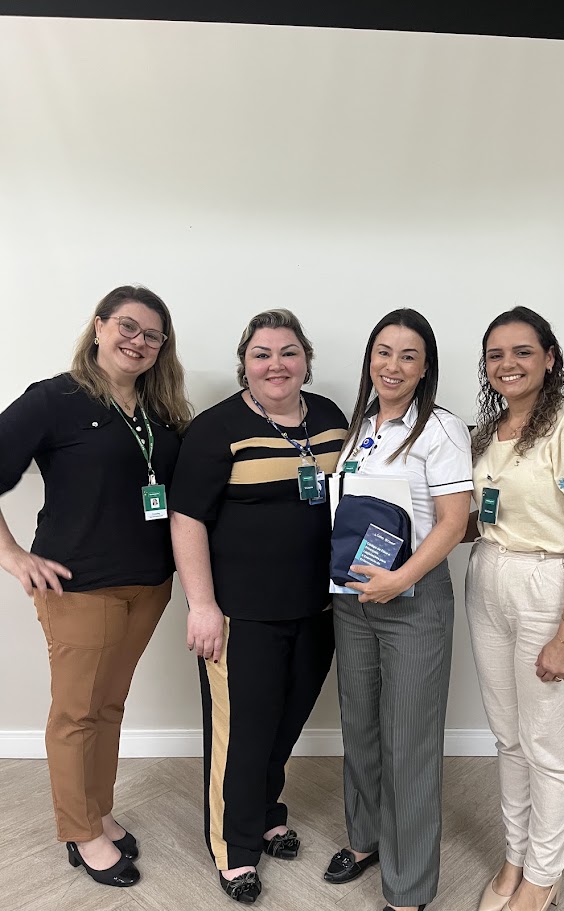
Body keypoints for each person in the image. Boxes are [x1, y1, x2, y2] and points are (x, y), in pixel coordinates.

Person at [0, 285, 191, 887]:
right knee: (76, 714)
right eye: (128, 327)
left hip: (149, 585)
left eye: (152, 335)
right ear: (100, 326)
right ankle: (80, 832)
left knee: (108, 706)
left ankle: (98, 812)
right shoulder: (54, 399)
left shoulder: (159, 412)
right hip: (80, 587)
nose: (138, 341)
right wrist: (11, 555)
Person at [169, 308, 348, 903]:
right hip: (241, 615)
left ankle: (267, 812)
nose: (276, 365)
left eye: (289, 352)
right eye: (262, 354)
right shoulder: (217, 429)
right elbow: (187, 518)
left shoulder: (329, 418)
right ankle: (234, 849)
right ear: (244, 364)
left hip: (318, 610)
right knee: (241, 735)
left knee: (284, 724)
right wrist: (201, 604)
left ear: (306, 361)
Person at [465, 306, 564, 911]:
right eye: (496, 355)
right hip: (489, 577)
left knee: (548, 743)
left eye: (522, 352)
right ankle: (516, 857)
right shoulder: (489, 434)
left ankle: (543, 875)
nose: (507, 364)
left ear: (550, 359)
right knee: (509, 737)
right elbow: (486, 518)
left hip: (551, 586)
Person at [324, 309, 473, 911]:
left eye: (408, 356)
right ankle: (364, 839)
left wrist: (400, 580)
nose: (393, 365)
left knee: (409, 741)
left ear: (425, 367)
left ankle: (408, 887)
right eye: (383, 352)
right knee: (359, 727)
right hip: (353, 600)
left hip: (413, 601)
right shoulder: (360, 426)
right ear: (370, 359)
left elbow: (454, 523)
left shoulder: (441, 429)